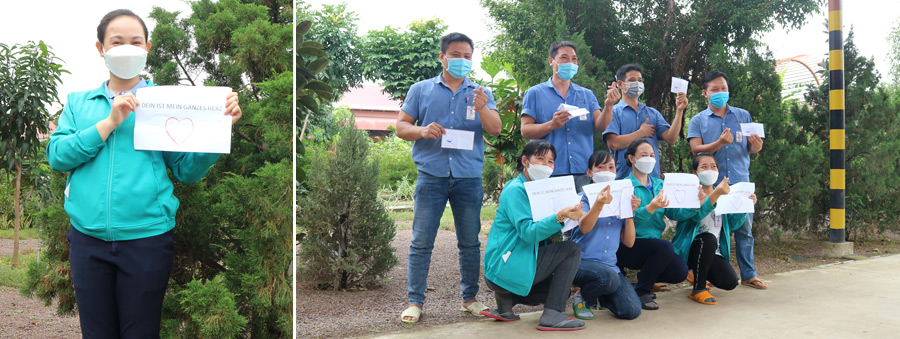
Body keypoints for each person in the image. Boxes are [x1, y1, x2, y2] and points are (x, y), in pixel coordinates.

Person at [47, 9, 242, 338]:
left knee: (141, 332)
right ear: (101, 48)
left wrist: (219, 131)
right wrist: (108, 123)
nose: (127, 48)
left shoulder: (164, 103)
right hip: (87, 240)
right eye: (117, 41)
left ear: (147, 47)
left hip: (146, 242)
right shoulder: (80, 103)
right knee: (96, 333)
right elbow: (58, 156)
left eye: (135, 42)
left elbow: (186, 170)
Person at [395, 32, 502, 323]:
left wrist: (482, 109)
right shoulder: (421, 89)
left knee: (470, 242)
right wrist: (421, 130)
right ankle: (415, 302)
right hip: (431, 175)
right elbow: (401, 126)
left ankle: (470, 299)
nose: (462, 60)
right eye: (456, 54)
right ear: (442, 56)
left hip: (468, 177)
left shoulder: (481, 92)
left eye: (467, 56)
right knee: (421, 241)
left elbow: (495, 129)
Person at [482, 140, 587, 331]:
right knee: (571, 250)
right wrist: (559, 216)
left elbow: (545, 230)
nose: (546, 166)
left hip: (511, 267)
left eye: (550, 162)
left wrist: (570, 217)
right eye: (540, 159)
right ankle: (552, 313)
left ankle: (507, 301)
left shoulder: (538, 189)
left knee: (561, 291)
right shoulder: (517, 190)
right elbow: (529, 234)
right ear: (525, 161)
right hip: (505, 266)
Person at [686, 70, 768, 290]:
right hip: (712, 185)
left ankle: (749, 274)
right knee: (709, 230)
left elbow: (750, 147)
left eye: (723, 88)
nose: (720, 93)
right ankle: (705, 272)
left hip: (740, 182)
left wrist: (756, 147)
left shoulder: (743, 115)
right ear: (705, 93)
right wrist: (719, 143)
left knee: (744, 229)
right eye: (714, 89)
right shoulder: (698, 120)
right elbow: (696, 149)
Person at [520, 41, 621, 193]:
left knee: (582, 214)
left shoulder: (586, 95)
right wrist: (552, 125)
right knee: (555, 217)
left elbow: (601, 126)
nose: (570, 63)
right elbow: (525, 130)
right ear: (551, 61)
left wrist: (609, 106)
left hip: (582, 170)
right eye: (564, 58)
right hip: (548, 172)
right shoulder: (535, 93)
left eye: (574, 59)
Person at [615, 139, 695, 310]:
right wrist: (650, 208)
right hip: (629, 246)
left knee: (679, 273)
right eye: (643, 155)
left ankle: (644, 280)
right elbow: (627, 221)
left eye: (652, 155)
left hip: (654, 247)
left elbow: (674, 213)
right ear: (631, 158)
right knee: (665, 247)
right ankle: (642, 292)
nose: (649, 159)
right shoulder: (624, 186)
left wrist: (695, 205)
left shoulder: (660, 185)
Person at [671, 153, 758, 304]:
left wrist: (744, 208)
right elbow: (695, 217)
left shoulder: (724, 195)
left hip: (712, 251)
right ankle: (699, 289)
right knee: (708, 239)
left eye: (713, 166)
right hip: (688, 249)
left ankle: (697, 274)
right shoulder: (691, 194)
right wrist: (715, 195)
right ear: (695, 173)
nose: (709, 170)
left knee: (730, 282)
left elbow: (732, 225)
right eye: (704, 167)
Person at [569, 151, 642, 320]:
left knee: (631, 310)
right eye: (600, 167)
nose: (606, 171)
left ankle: (600, 294)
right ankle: (582, 297)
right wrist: (599, 204)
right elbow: (585, 228)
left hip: (609, 266)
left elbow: (629, 242)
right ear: (589, 172)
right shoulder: (582, 198)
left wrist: (629, 213)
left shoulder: (622, 198)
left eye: (611, 167)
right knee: (608, 278)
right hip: (581, 263)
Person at [603, 64, 688, 179]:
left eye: (640, 80)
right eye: (632, 80)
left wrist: (679, 111)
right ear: (620, 84)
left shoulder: (652, 113)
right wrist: (641, 133)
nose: (637, 84)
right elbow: (613, 144)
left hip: (652, 180)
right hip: (624, 179)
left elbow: (671, 139)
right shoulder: (613, 112)